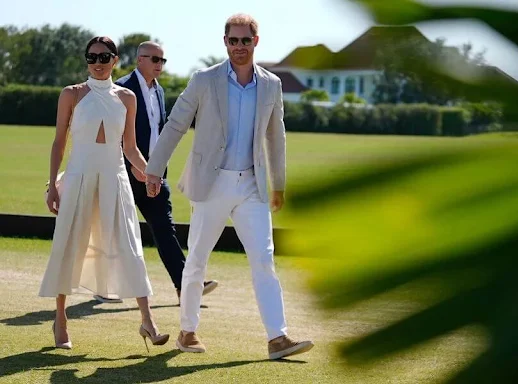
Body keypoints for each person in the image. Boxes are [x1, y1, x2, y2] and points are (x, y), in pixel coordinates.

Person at [145, 13, 313, 359]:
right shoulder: (204, 80)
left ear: (256, 41)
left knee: (264, 260)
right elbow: (176, 124)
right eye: (233, 40)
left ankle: (277, 338)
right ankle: (188, 331)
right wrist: (154, 170)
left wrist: (278, 185)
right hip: (212, 183)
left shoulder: (271, 84)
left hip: (252, 185)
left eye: (245, 40)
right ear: (225, 42)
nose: (239, 46)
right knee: (197, 260)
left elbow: (275, 137)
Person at [39, 36, 169, 351]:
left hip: (115, 178)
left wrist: (150, 174)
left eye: (104, 57)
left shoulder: (126, 98)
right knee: (69, 244)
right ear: (86, 60)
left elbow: (130, 147)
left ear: (115, 60)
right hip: (79, 177)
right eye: (92, 57)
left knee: (130, 245)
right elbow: (59, 142)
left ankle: (147, 321)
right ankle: (60, 318)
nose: (98, 63)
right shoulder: (71, 94)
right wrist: (51, 185)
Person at [92, 41, 218, 305]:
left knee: (164, 226)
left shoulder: (159, 91)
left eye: (163, 60)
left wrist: (154, 170)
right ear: (139, 60)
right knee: (116, 229)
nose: (159, 65)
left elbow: (159, 132)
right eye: (155, 59)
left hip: (153, 173)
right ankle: (104, 287)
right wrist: (135, 168)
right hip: (123, 171)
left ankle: (184, 286)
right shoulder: (122, 88)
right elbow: (113, 135)